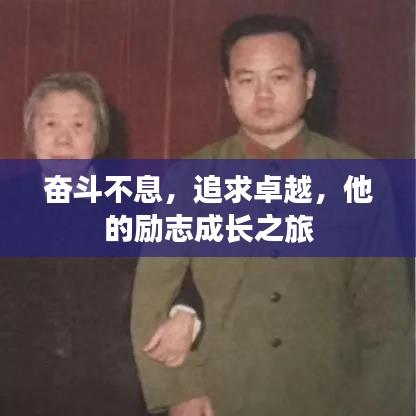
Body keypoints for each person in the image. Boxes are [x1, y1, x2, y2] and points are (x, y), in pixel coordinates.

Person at [130, 14, 413, 416]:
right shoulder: (189, 177)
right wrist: (179, 392)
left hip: (333, 399)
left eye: (279, 78)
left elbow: (387, 315)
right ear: (228, 88)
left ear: (309, 83)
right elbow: (150, 299)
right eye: (246, 80)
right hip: (221, 398)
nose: (263, 94)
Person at [0, 71, 200, 415]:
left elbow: (184, 278)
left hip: (112, 394)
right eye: (50, 124)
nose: (64, 139)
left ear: (99, 136)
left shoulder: (136, 206)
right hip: (18, 393)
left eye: (79, 125)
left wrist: (185, 316)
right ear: (31, 133)